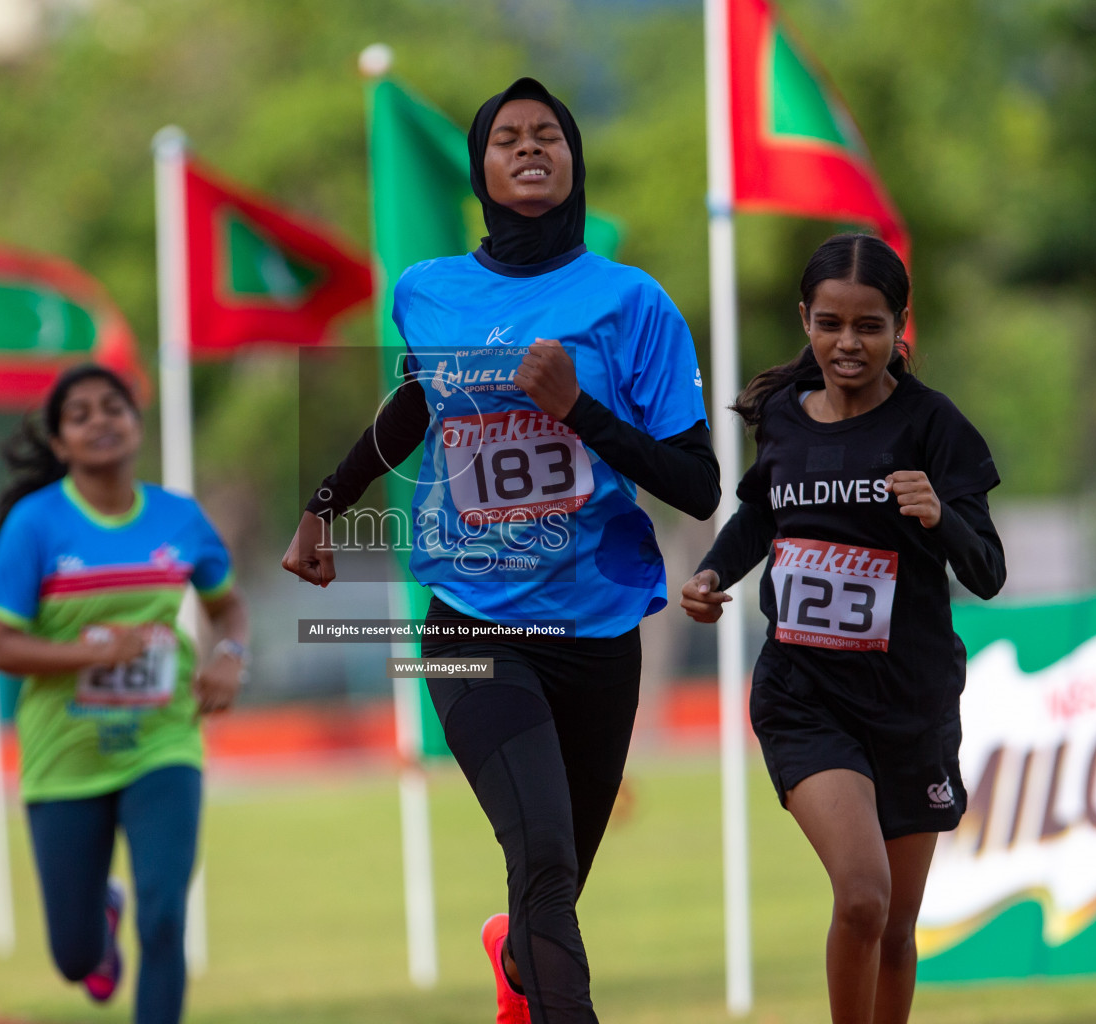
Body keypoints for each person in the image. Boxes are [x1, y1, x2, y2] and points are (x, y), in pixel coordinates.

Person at [282, 78, 719, 1024]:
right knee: (546, 863)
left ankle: (516, 965)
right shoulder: (427, 292)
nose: (529, 148)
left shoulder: (631, 303)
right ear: (481, 165)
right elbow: (414, 405)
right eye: (507, 138)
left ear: (574, 160)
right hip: (471, 628)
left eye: (548, 135)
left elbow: (697, 485)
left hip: (601, 631)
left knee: (551, 892)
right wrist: (326, 502)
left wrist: (581, 411)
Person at [681, 234, 1005, 1024]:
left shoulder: (934, 426)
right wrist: (714, 573)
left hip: (910, 703)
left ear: (902, 326)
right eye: (829, 324)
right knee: (862, 896)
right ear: (805, 320)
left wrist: (939, 519)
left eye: (868, 326)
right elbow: (761, 512)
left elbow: (988, 573)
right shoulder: (786, 421)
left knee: (895, 927)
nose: (847, 343)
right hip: (804, 696)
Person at [0, 364, 248, 1024]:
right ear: (61, 444)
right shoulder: (35, 525)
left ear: (136, 424)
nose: (100, 420)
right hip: (64, 755)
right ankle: (102, 913)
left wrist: (228, 658)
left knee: (165, 916)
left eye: (113, 407)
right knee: (74, 956)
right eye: (80, 415)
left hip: (164, 739)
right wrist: (93, 653)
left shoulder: (179, 519)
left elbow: (229, 607)